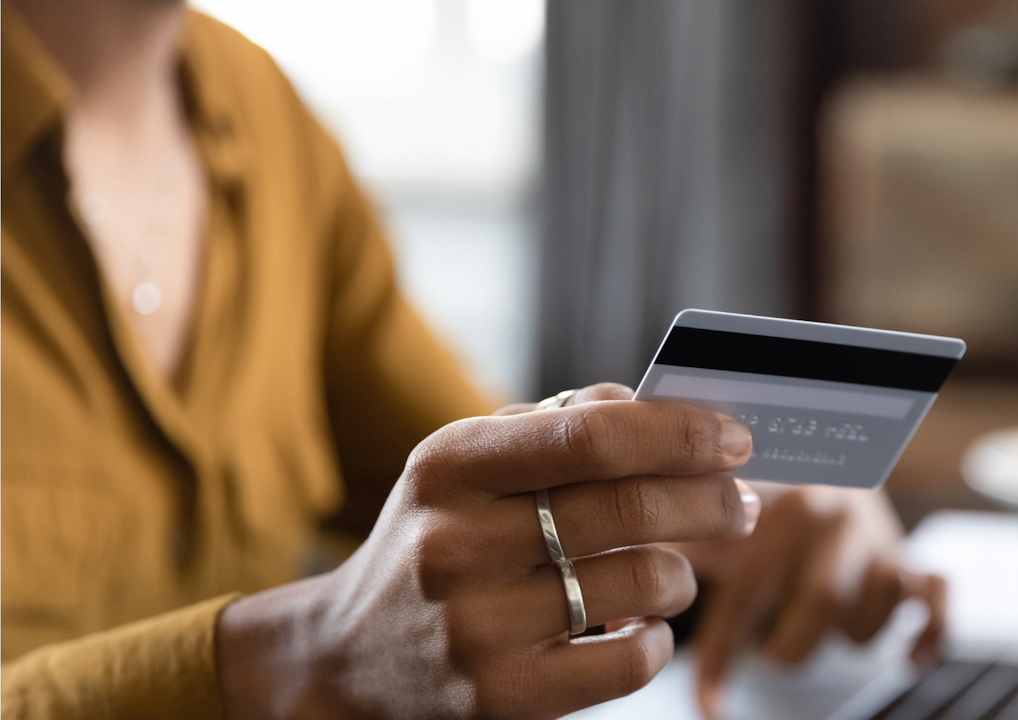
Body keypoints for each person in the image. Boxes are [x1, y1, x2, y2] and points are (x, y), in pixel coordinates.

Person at [0, 0, 944, 717]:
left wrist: (755, 511)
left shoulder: (260, 116)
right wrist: (287, 661)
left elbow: (481, 508)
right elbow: (365, 622)